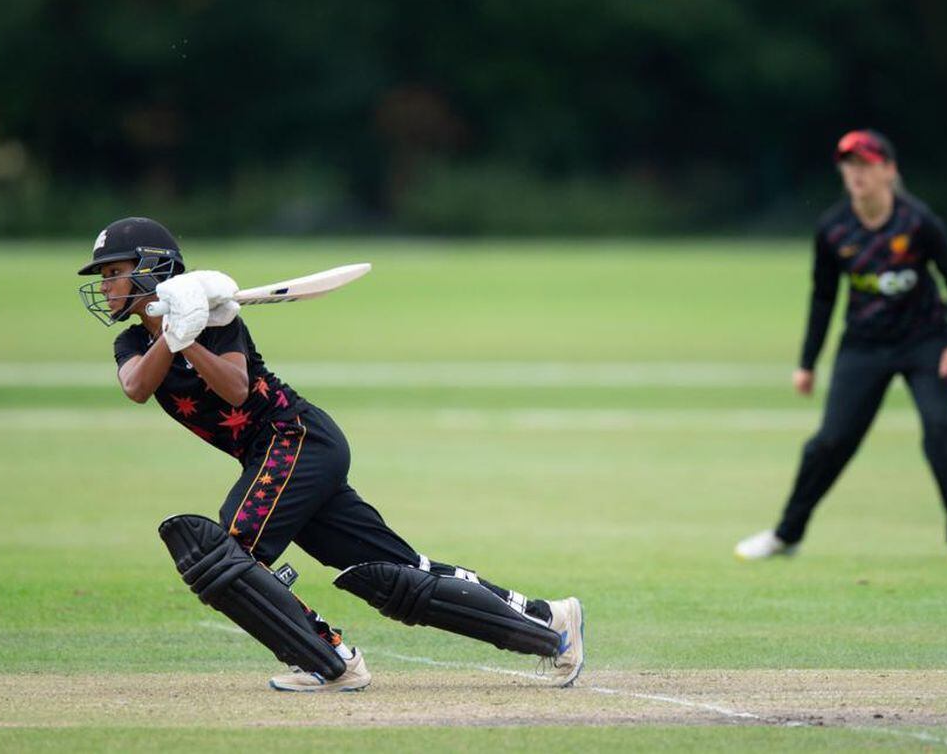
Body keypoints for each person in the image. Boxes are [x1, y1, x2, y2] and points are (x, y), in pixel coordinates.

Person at [78, 217, 584, 691]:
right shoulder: (133, 342)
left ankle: (329, 658)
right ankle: (551, 618)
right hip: (276, 456)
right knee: (395, 573)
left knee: (232, 550)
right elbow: (136, 387)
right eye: (103, 275)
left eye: (114, 272)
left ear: (152, 269)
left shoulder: (217, 324)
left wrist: (190, 339)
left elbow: (235, 389)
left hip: (295, 438)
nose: (105, 285)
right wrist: (173, 334)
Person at [734, 130, 947, 564]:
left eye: (866, 164)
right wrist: (807, 363)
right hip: (864, 346)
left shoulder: (918, 223)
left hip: (924, 341)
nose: (856, 173)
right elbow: (823, 297)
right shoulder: (834, 229)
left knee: (940, 427)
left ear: (889, 170)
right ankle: (786, 534)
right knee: (830, 443)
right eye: (849, 165)